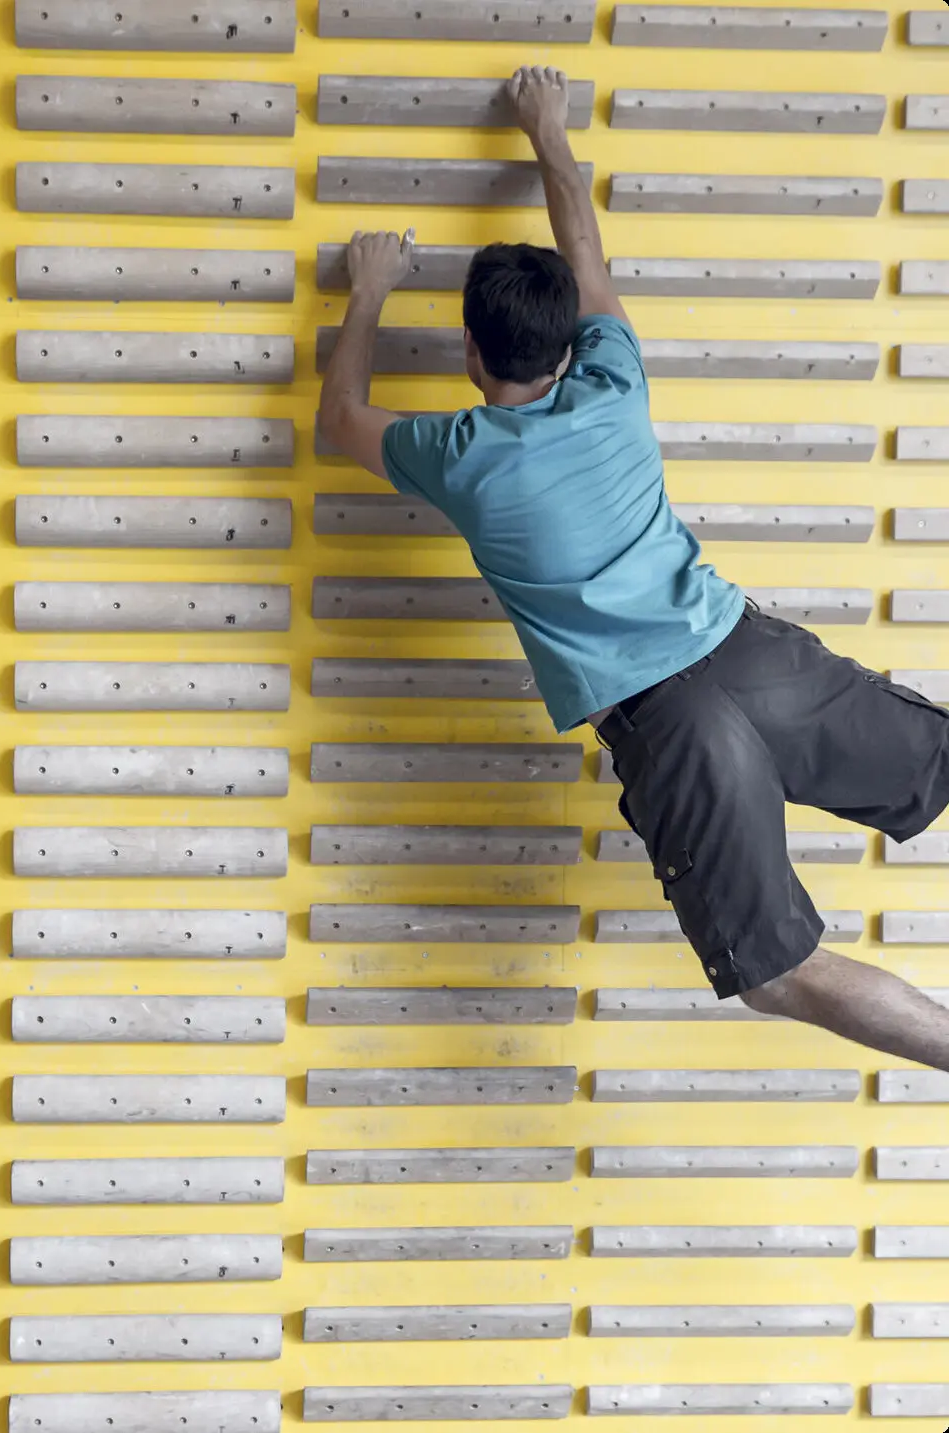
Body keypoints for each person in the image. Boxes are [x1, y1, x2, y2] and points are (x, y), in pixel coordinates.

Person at [317, 63, 949, 1069]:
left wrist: (372, 291)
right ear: (568, 346)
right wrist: (546, 128)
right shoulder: (613, 380)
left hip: (670, 722)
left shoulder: (459, 455)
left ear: (470, 358)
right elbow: (585, 246)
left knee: (781, 968)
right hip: (750, 654)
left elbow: (339, 418)